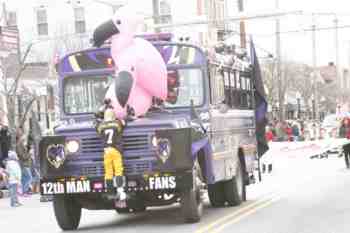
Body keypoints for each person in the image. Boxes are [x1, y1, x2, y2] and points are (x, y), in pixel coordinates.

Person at [95, 99, 127, 207]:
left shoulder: (101, 126)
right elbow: (123, 123)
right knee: (118, 170)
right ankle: (120, 190)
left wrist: (99, 116)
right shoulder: (116, 124)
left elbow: (96, 125)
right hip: (116, 150)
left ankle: (110, 192)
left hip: (106, 151)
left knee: (108, 172)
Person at [16, 128, 33, 196]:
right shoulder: (19, 144)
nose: (24, 138)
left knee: (24, 178)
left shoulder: (21, 144)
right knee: (29, 177)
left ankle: (24, 192)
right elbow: (22, 155)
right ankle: (25, 191)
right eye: (24, 136)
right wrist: (29, 154)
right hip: (23, 164)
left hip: (23, 164)